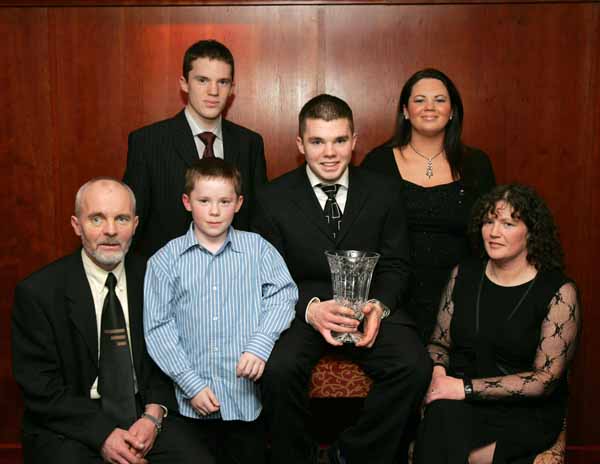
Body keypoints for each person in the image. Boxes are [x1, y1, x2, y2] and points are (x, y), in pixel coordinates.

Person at [252, 94, 431, 464]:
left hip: (369, 305)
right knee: (278, 370)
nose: (329, 152)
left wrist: (377, 306)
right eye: (317, 141)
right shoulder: (272, 198)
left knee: (415, 367)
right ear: (301, 144)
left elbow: (397, 264)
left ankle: (350, 454)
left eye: (338, 140)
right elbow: (264, 275)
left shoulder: (384, 191)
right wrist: (311, 309)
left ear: (354, 140)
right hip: (302, 310)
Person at [12, 178, 196, 464]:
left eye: (121, 219)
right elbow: (41, 389)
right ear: (76, 225)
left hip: (143, 414)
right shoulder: (38, 293)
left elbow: (171, 358)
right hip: (69, 423)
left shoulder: (156, 277)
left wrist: (153, 415)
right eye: (97, 219)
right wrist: (102, 435)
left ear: (135, 224)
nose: (110, 231)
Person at [143, 158, 297, 464]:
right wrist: (191, 385)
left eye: (224, 201)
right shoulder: (164, 261)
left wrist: (261, 344)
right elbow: (159, 328)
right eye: (204, 201)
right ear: (187, 202)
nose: (214, 211)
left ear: (238, 203)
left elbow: (284, 293)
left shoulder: (258, 249)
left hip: (245, 403)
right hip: (191, 405)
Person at [414, 184, 580, 464]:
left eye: (508, 223)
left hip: (523, 410)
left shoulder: (559, 291)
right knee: (439, 417)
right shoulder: (463, 274)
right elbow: (439, 343)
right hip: (461, 402)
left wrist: (463, 387)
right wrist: (439, 375)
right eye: (489, 221)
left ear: (531, 232)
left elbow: (545, 379)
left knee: (450, 445)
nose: (493, 232)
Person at [362, 68, 495, 343]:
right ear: (406, 111)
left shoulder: (477, 164)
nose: (430, 107)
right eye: (420, 100)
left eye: (440, 100)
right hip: (395, 295)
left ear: (453, 111)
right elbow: (364, 235)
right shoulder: (378, 164)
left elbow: (490, 234)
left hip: (462, 293)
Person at [124, 39, 267, 258]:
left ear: (232, 89)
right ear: (184, 83)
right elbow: (134, 222)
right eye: (202, 80)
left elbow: (258, 220)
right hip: (169, 279)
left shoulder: (250, 143)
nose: (213, 91)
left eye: (222, 82)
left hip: (235, 278)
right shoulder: (148, 142)